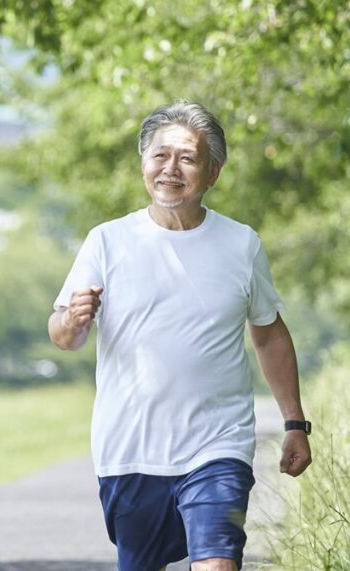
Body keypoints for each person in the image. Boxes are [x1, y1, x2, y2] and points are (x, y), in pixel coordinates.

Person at [49, 100, 312, 571]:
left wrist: (294, 423)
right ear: (144, 164)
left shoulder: (241, 243)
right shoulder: (107, 241)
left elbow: (269, 334)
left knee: (217, 563)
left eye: (187, 158)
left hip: (218, 444)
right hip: (130, 451)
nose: (171, 168)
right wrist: (73, 318)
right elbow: (64, 337)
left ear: (212, 173)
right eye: (160, 156)